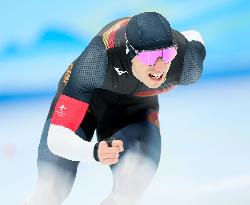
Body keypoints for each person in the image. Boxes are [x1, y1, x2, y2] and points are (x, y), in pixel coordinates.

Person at [24, 11, 206, 205]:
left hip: (135, 109)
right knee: (51, 189)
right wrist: (94, 152)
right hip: (88, 101)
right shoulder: (96, 59)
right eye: (150, 58)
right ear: (129, 52)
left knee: (131, 186)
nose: (160, 67)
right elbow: (56, 138)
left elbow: (193, 34)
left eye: (166, 54)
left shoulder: (187, 63)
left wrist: (163, 54)